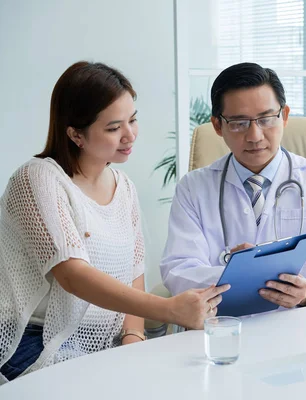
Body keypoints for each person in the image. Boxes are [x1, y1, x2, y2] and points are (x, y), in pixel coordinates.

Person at [0, 61, 229, 384]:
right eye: (113, 127)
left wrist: (133, 336)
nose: (130, 135)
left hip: (103, 341)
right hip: (34, 337)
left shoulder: (124, 188)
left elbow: (134, 274)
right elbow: (73, 275)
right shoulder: (37, 179)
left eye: (133, 120)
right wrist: (170, 310)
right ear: (76, 133)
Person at [160, 62, 306, 309]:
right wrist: (240, 273)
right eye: (239, 123)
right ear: (218, 125)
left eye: (266, 119)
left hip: (302, 328)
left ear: (285, 116)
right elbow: (178, 270)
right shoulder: (193, 188)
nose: (255, 136)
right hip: (224, 328)